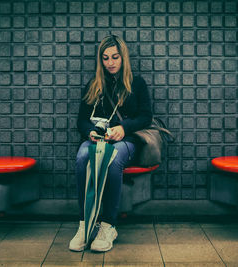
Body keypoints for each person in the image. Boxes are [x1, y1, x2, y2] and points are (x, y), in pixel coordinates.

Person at [69, 35, 152, 252]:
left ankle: (108, 226)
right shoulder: (94, 84)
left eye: (115, 57)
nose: (110, 63)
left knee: (113, 159)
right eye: (105, 58)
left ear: (123, 57)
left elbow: (146, 117)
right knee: (81, 157)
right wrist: (89, 133)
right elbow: (81, 120)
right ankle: (85, 224)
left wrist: (124, 128)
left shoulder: (137, 83)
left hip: (127, 140)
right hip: (97, 140)